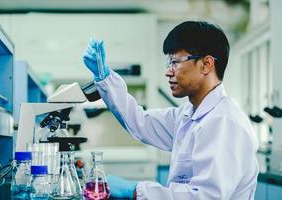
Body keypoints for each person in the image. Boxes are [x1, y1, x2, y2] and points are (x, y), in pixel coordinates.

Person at [82, 21, 259, 200]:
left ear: (206, 65)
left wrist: (135, 190)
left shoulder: (224, 122)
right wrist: (105, 78)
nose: (168, 72)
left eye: (175, 62)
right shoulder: (188, 114)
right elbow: (139, 121)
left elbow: (205, 197)